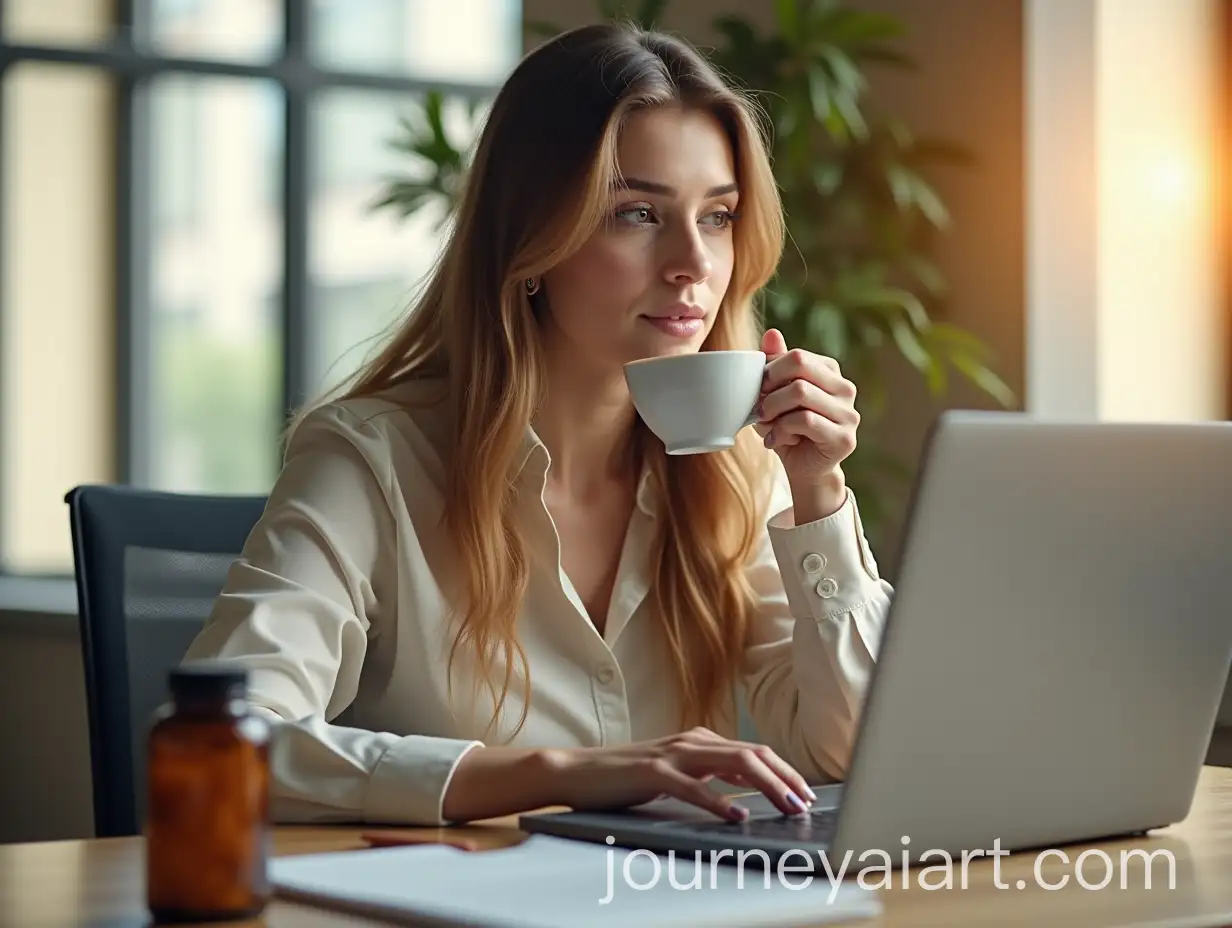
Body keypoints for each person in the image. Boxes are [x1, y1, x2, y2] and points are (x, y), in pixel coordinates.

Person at [184, 21, 893, 828]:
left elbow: (856, 753)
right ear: (532, 240)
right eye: (637, 213)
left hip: (664, 891)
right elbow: (220, 744)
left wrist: (818, 492)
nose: (694, 264)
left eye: (719, 216)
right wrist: (556, 774)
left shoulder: (741, 475)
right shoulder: (372, 461)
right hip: (448, 888)